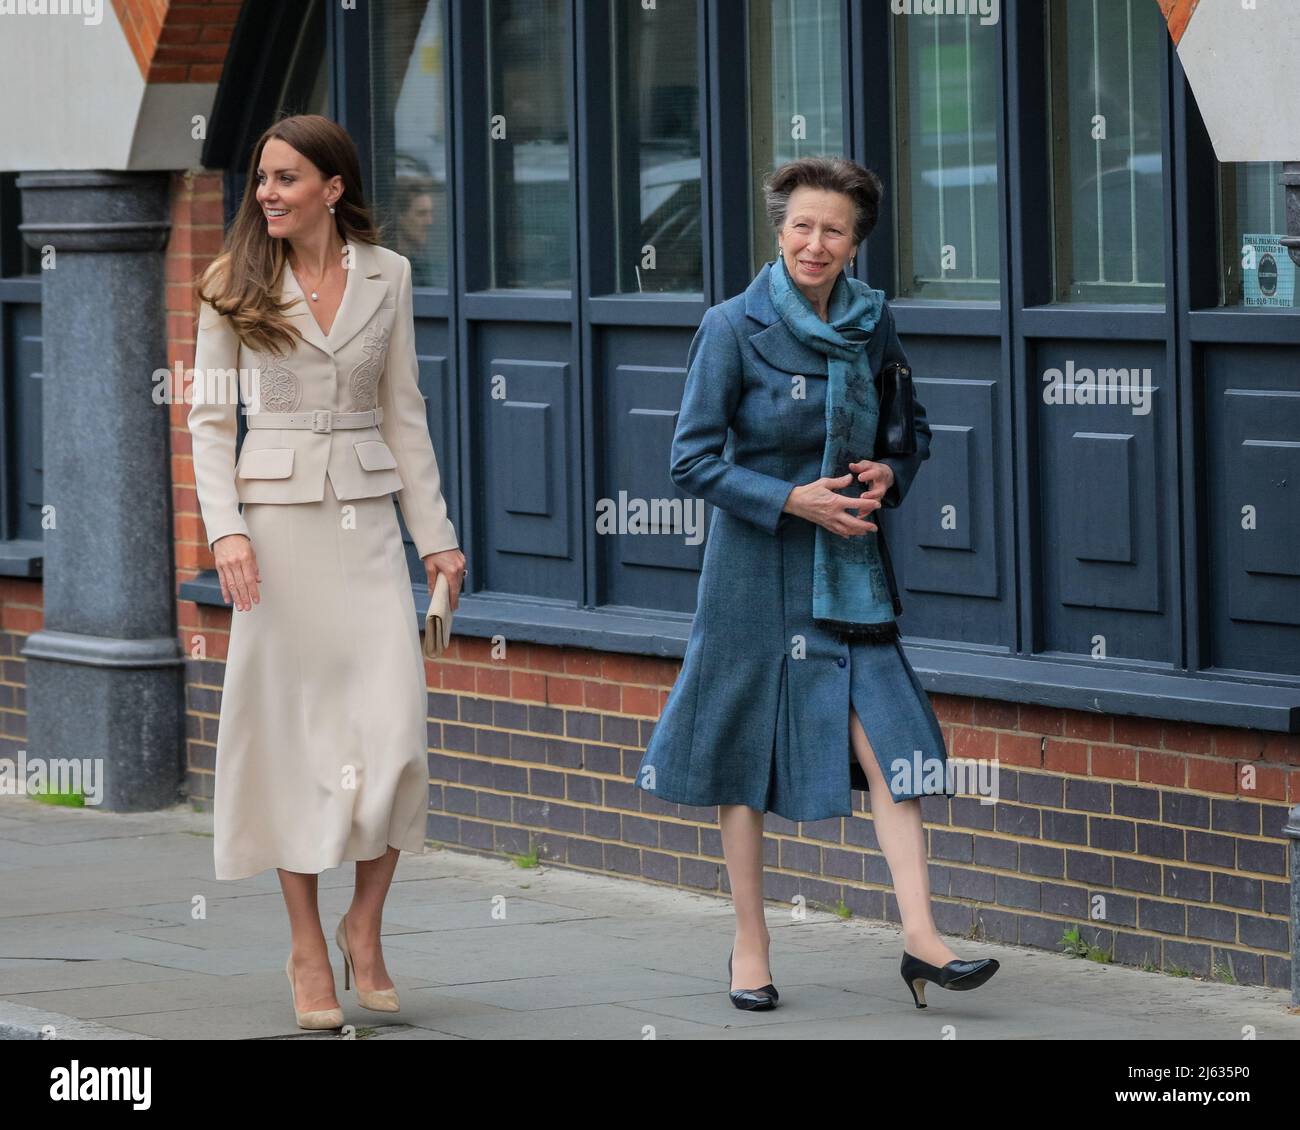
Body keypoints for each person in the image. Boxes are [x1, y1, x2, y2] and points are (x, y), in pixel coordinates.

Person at [632, 156, 998, 1011]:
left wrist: (886, 475)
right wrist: (788, 497)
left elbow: (913, 429)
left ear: (856, 242)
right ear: (779, 230)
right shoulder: (731, 326)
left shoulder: (874, 325)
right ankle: (750, 944)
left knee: (893, 743)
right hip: (755, 572)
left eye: (834, 229)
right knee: (742, 755)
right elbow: (689, 459)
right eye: (801, 225)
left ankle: (921, 938)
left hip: (850, 570)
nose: (815, 242)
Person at [187, 113, 466, 1029]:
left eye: (285, 177)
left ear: (332, 188)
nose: (266, 192)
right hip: (273, 535)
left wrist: (438, 536)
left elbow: (405, 410)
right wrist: (224, 532)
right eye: (262, 177)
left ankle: (364, 924)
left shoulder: (390, 276)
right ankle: (308, 951)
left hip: (369, 528)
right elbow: (209, 423)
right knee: (293, 745)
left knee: (396, 736)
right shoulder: (233, 280)